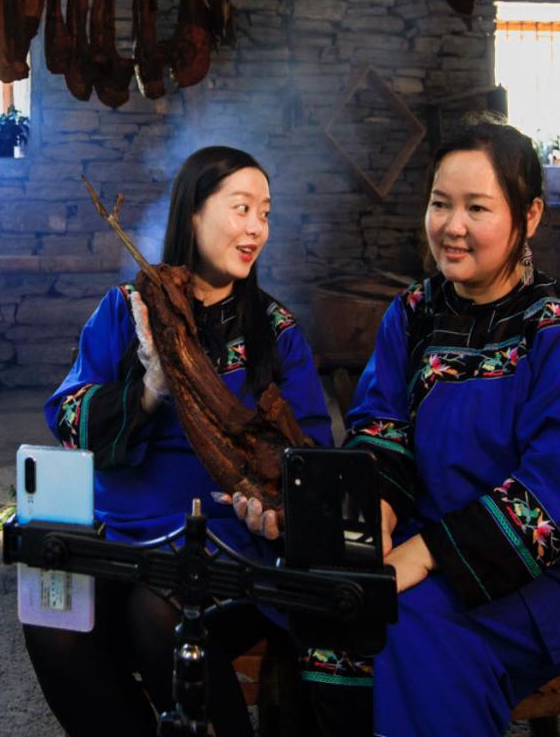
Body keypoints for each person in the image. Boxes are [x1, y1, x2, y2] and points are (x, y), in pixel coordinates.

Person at [254, 117, 560, 736]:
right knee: (316, 591)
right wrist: (381, 516)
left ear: (529, 217)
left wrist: (421, 556)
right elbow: (379, 431)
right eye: (441, 204)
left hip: (555, 571)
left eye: (478, 207)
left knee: (397, 621)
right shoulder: (413, 314)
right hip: (422, 535)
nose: (452, 226)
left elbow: (553, 501)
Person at [23, 145, 333, 737]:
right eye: (241, 208)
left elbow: (312, 453)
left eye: (265, 213)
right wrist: (144, 393)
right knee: (51, 621)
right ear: (192, 212)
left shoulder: (276, 332)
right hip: (119, 539)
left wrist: (276, 506)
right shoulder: (127, 309)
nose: (256, 228)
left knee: (155, 613)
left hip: (225, 549)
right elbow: (64, 413)